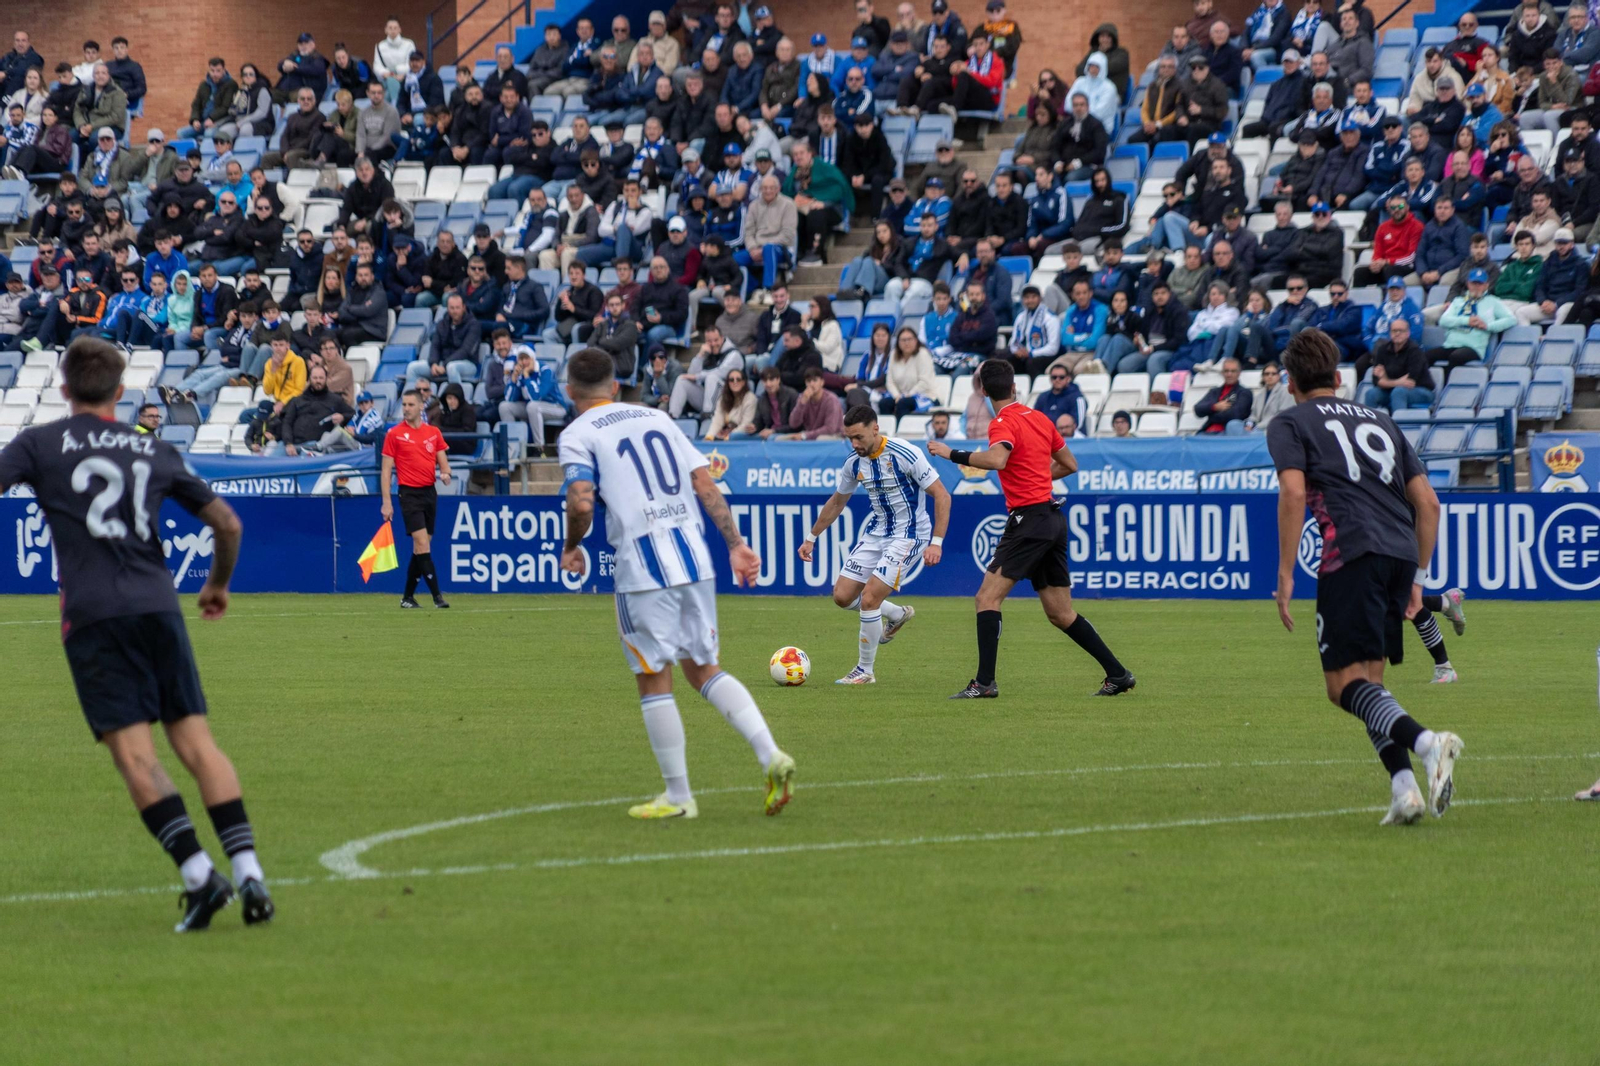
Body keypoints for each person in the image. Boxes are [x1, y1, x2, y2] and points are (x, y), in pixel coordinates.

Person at [0, 338, 272, 931]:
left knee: (135, 756)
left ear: (64, 389)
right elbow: (227, 522)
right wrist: (216, 585)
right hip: (159, 608)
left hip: (95, 616)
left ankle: (202, 877)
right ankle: (250, 870)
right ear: (121, 394)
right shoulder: (151, 448)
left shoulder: (39, 443)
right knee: (199, 745)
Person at [557, 347, 796, 819]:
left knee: (653, 677)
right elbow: (705, 485)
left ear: (569, 392)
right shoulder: (658, 418)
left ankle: (679, 797)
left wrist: (570, 546)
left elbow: (581, 503)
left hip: (642, 565)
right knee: (702, 668)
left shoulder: (577, 432)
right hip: (694, 557)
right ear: (617, 385)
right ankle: (771, 755)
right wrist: (737, 544)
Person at [1268, 328, 1464, 827]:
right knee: (1372, 684)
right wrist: (1418, 577)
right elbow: (1429, 504)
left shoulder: (1290, 422)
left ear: (1290, 383)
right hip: (1399, 550)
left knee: (1341, 688)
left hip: (1349, 551)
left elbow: (1293, 494)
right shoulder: (1382, 418)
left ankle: (1428, 743)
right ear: (1338, 378)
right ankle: (1404, 791)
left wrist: (1286, 573)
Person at [928, 359, 1133, 699]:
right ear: (1014, 387)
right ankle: (1118, 674)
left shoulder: (1002, 422)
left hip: (1030, 521)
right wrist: (1036, 476)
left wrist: (954, 454)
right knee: (1060, 612)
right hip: (1052, 518)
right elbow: (1070, 464)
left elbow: (997, 460)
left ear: (981, 390)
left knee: (986, 598)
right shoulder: (1039, 418)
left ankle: (984, 683)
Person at [798, 406, 951, 684]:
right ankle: (896, 614)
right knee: (842, 596)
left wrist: (936, 543)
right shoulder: (854, 463)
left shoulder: (905, 453)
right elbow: (837, 502)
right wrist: (812, 537)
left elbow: (942, 495)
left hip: (910, 534)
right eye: (849, 439)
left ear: (875, 429)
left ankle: (865, 671)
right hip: (876, 533)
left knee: (869, 599)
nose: (854, 444)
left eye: (858, 437)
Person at [380, 390, 452, 609]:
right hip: (408, 493)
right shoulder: (394, 434)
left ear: (422, 406)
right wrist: (387, 502)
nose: (406, 408)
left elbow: (443, 461)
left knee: (421, 547)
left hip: (429, 493)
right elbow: (385, 471)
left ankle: (407, 598)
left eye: (411, 404)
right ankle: (438, 597)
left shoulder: (433, 432)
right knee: (422, 543)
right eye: (404, 404)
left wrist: (446, 473)